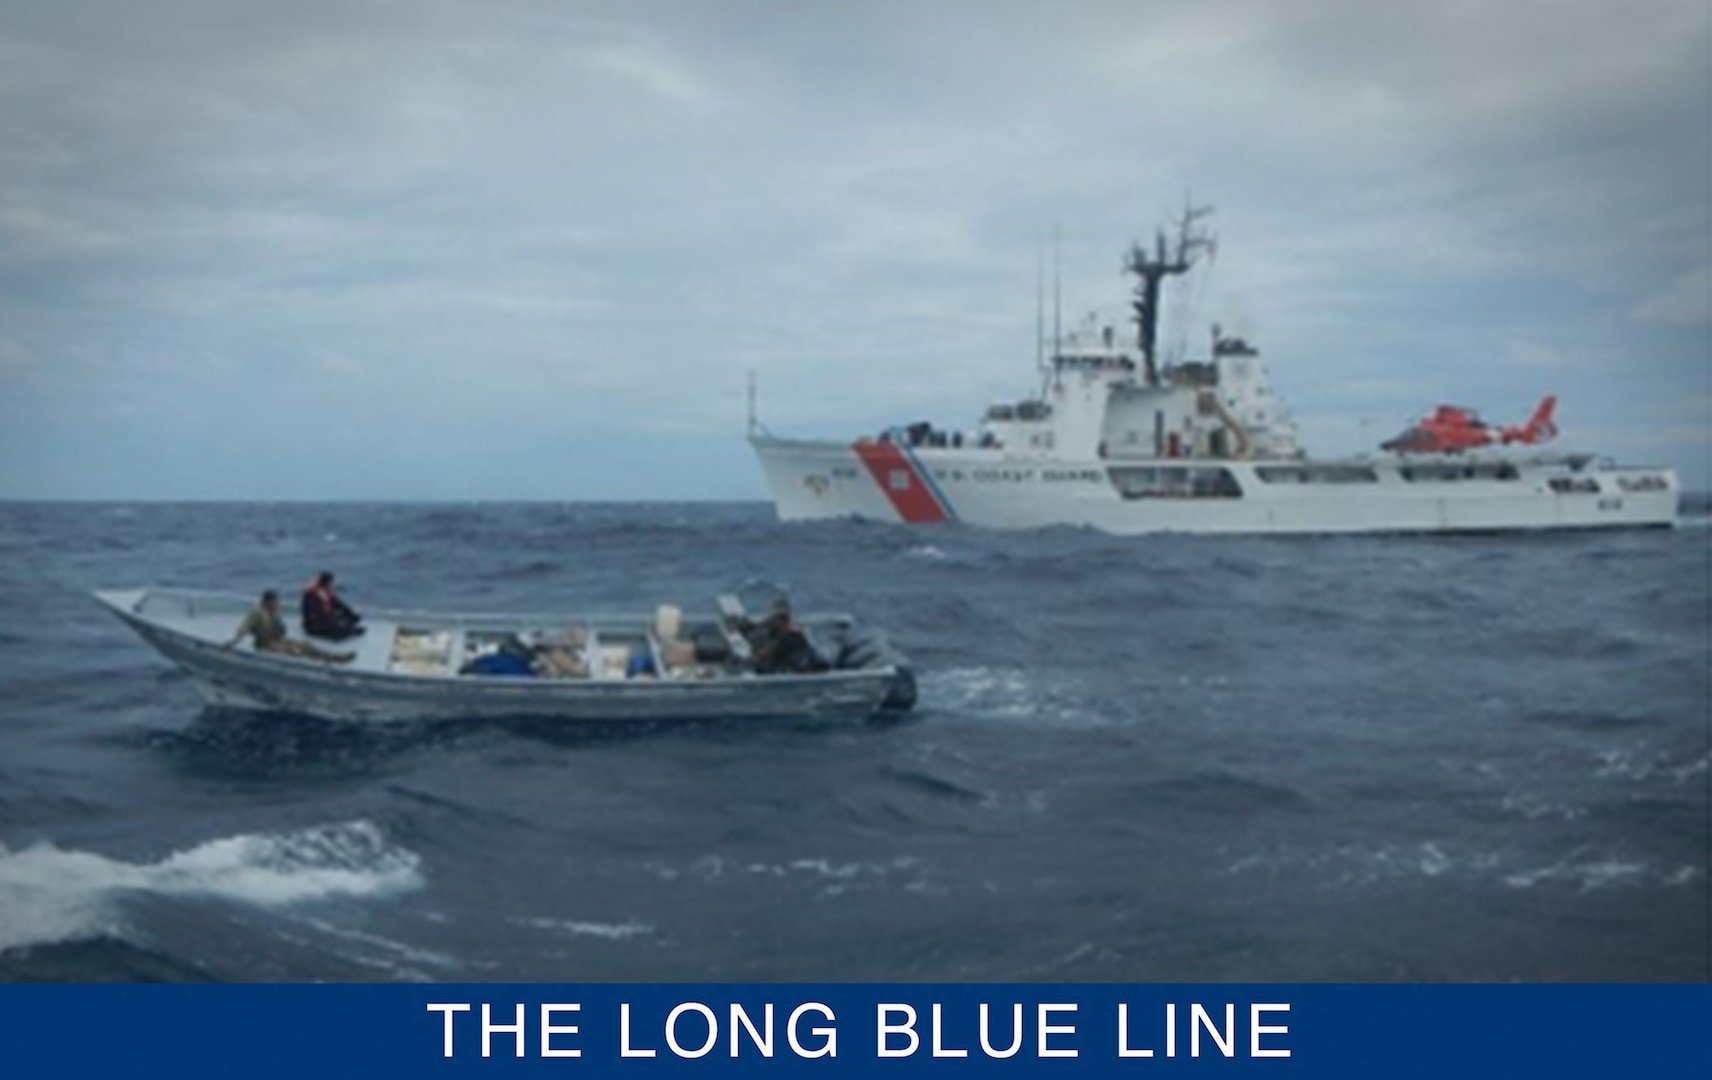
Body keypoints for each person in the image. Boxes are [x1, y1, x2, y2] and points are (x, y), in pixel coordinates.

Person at [228, 590, 352, 663]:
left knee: (305, 645)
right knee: (296, 651)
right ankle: (313, 663)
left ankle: (333, 657)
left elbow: (281, 631)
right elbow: (244, 628)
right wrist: (234, 641)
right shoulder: (257, 613)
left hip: (278, 641)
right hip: (265, 645)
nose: (277, 603)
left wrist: (278, 621)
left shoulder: (274, 613)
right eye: (274, 601)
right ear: (267, 601)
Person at [748, 595, 827, 675]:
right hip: (774, 667)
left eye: (785, 618)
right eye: (780, 617)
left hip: (794, 664)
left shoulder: (794, 631)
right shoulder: (763, 631)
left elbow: (806, 648)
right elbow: (759, 656)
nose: (783, 622)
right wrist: (779, 641)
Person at [301, 571, 364, 641]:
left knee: (351, 619)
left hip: (327, 619)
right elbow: (313, 614)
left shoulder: (328, 593)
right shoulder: (311, 595)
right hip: (314, 624)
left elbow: (339, 605)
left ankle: (345, 629)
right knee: (337, 633)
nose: (331, 585)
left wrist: (352, 614)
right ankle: (345, 631)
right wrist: (331, 620)